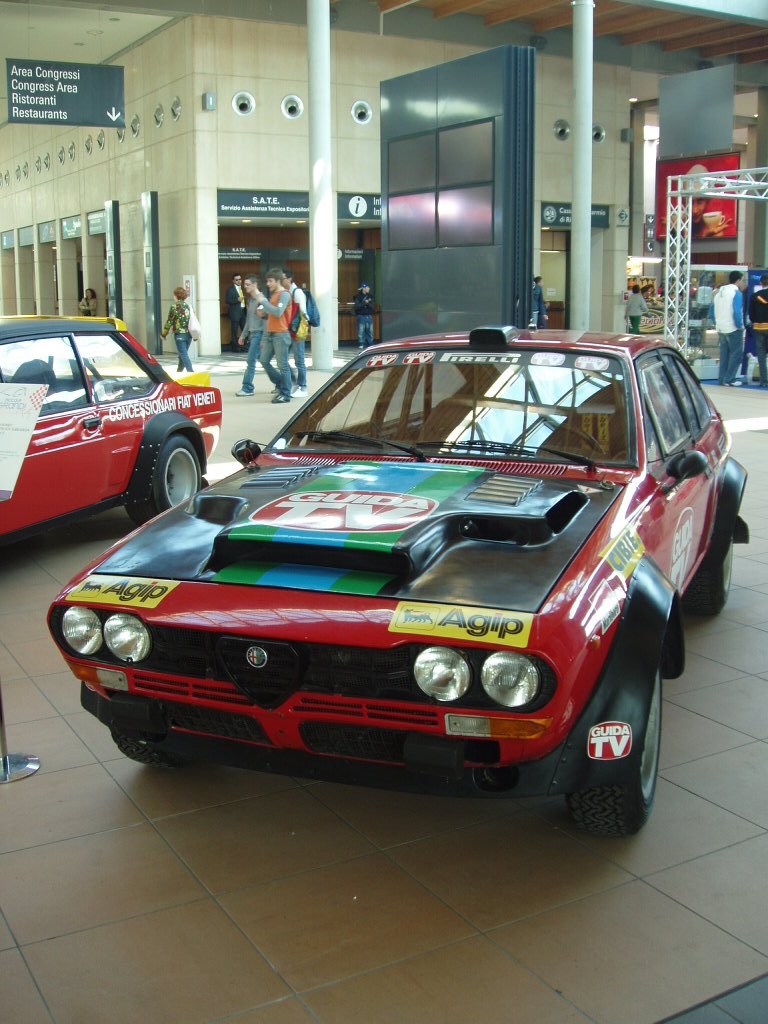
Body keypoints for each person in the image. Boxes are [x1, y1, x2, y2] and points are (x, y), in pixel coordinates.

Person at [256, 268, 294, 403]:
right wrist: (264, 312)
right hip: (271, 334)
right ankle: (281, 383)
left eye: (270, 281)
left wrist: (263, 302)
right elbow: (273, 313)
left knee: (282, 364)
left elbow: (278, 312)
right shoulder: (274, 295)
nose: (268, 284)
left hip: (281, 335)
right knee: (264, 360)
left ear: (278, 281)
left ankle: (286, 393)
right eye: (267, 281)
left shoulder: (284, 295)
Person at [235, 274, 267, 396]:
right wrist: (243, 335)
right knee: (264, 362)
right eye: (245, 285)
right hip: (254, 335)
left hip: (259, 335)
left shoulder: (261, 300)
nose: (245, 287)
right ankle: (280, 383)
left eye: (248, 284)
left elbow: (266, 320)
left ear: (255, 285)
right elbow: (249, 320)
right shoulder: (251, 300)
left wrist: (264, 339)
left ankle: (247, 387)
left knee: (250, 360)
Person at [713, 271, 746, 387]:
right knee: (736, 354)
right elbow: (737, 311)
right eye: (742, 280)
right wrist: (740, 325)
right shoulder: (736, 293)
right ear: (738, 280)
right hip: (733, 328)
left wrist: (717, 323)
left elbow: (712, 311)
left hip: (721, 327)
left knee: (724, 355)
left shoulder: (718, 293)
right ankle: (730, 379)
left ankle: (722, 379)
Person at [283, 269, 308, 398]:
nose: (281, 281)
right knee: (283, 359)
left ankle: (303, 386)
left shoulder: (297, 292)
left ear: (289, 279)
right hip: (288, 331)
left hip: (297, 332)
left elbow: (303, 314)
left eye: (283, 278)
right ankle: (293, 382)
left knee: (299, 361)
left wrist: (301, 332)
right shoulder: (286, 293)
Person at [161, 286, 195, 373]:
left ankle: (191, 372)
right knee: (182, 354)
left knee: (183, 354)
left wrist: (164, 334)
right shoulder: (189, 307)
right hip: (189, 335)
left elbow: (169, 321)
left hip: (179, 334)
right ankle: (179, 372)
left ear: (176, 296)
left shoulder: (174, 307)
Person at [749, 273, 768, 389]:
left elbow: (751, 313)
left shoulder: (754, 296)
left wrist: (755, 321)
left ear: (761, 283)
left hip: (759, 328)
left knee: (761, 355)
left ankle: (764, 380)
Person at [225, 273, 246, 351]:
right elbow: (227, 300)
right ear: (233, 281)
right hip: (235, 313)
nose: (239, 281)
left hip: (243, 311)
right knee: (234, 331)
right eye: (236, 280)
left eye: (240, 279)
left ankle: (243, 346)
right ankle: (235, 347)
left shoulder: (242, 289)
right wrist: (237, 300)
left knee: (244, 330)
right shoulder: (230, 290)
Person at [354, 282, 374, 349]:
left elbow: (372, 306)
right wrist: (364, 303)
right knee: (361, 331)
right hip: (361, 316)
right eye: (367, 287)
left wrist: (367, 303)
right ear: (364, 288)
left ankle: (370, 343)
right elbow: (357, 307)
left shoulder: (370, 296)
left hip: (369, 315)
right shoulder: (357, 297)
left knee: (370, 331)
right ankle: (361, 343)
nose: (369, 289)